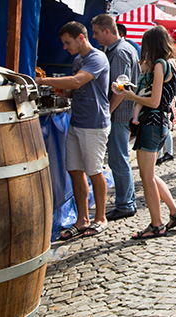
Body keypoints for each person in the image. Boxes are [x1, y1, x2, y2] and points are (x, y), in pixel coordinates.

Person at [36, 22, 111, 239]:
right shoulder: (78, 60)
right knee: (75, 170)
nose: (65, 48)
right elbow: (77, 90)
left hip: (94, 124)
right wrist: (62, 91)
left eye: (67, 42)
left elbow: (78, 81)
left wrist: (41, 80)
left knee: (94, 171)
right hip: (77, 122)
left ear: (80, 37)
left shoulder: (97, 58)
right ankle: (82, 220)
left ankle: (100, 218)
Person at [117, 26, 176, 239]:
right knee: (151, 175)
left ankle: (156, 224)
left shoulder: (159, 65)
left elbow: (153, 101)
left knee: (146, 177)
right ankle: (174, 212)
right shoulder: (174, 64)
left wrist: (131, 96)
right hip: (162, 122)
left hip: (152, 122)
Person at [90, 14, 139, 222]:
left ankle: (125, 204)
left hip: (119, 114)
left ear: (107, 31)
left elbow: (120, 89)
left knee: (119, 159)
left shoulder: (119, 52)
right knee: (119, 158)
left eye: (96, 32)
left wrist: (107, 112)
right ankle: (127, 200)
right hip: (120, 113)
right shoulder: (119, 50)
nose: (94, 37)